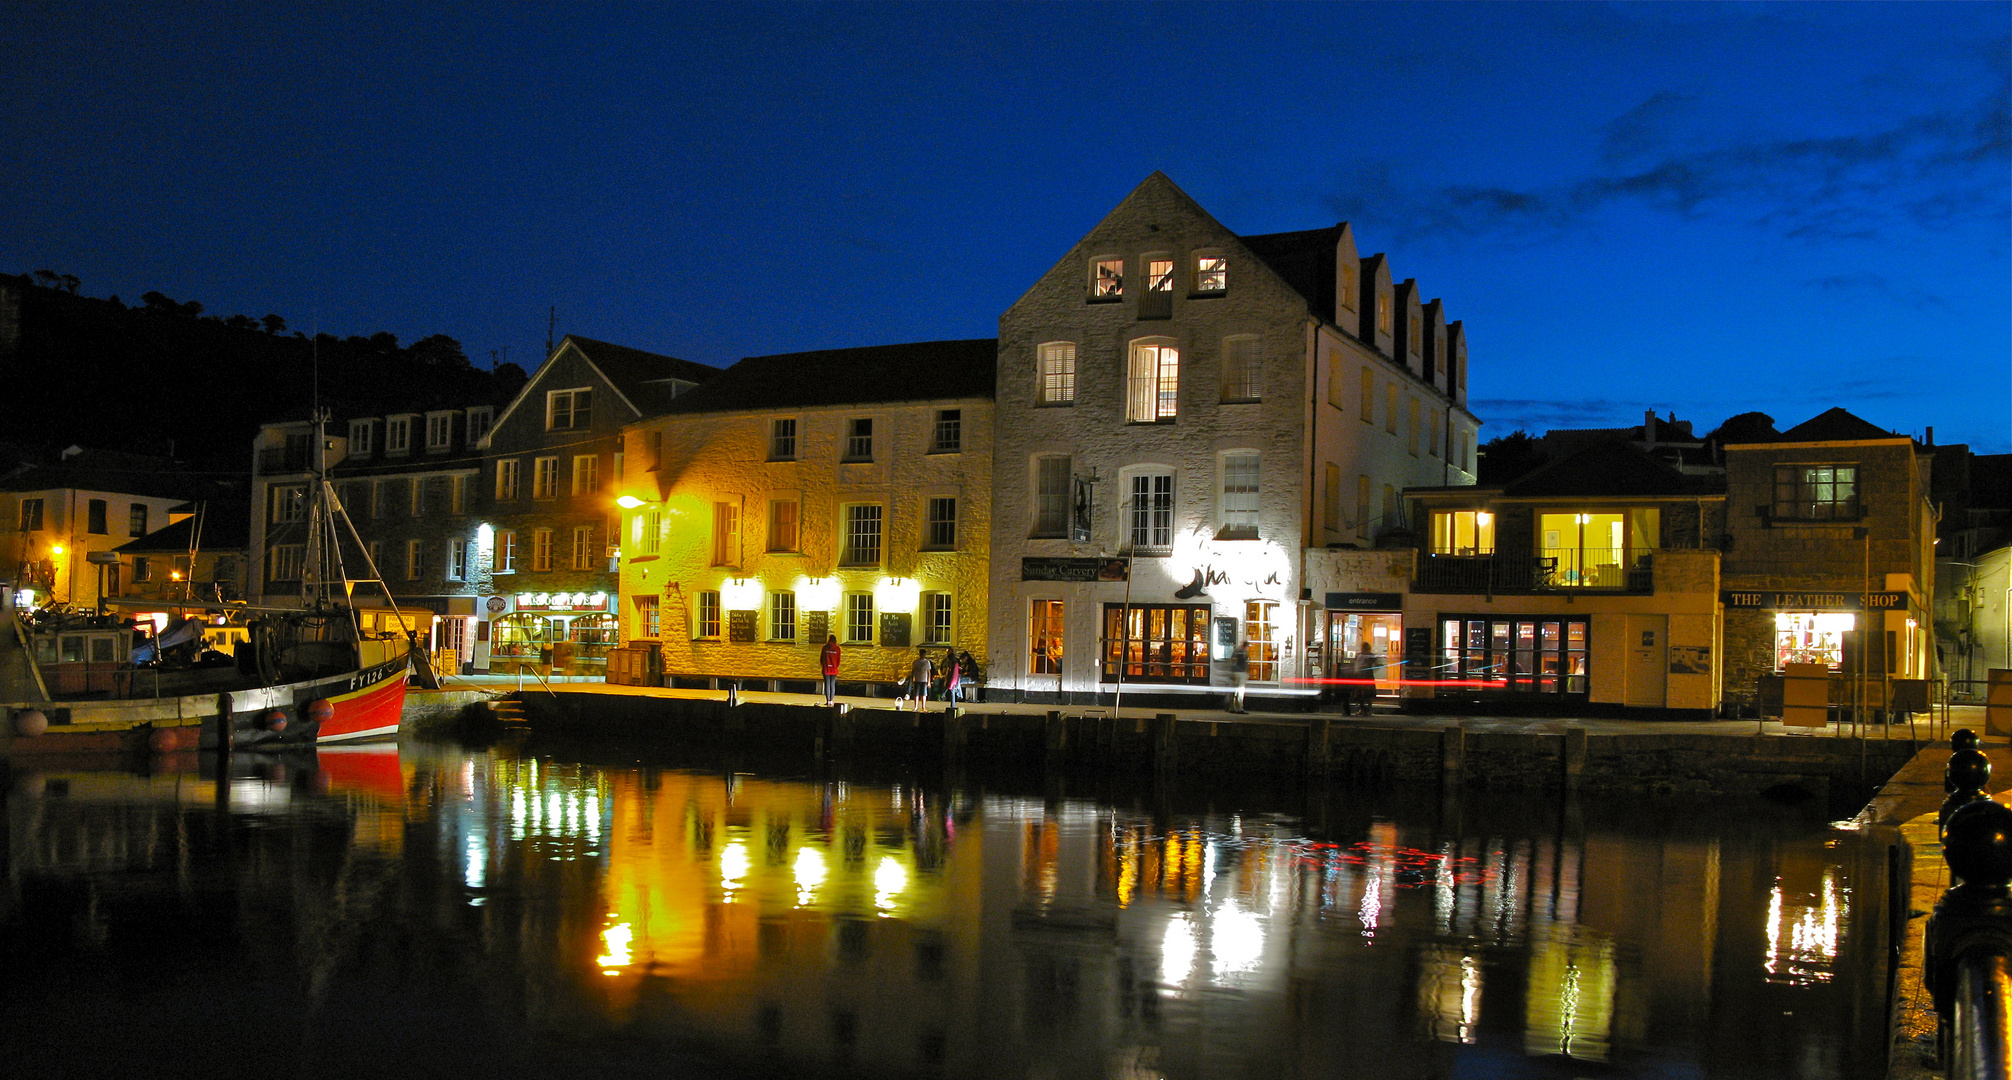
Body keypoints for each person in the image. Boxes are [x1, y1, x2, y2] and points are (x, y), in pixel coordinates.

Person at [820, 634, 842, 705]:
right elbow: (838, 660)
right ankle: (831, 700)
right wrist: (835, 666)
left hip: (826, 669)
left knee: (827, 685)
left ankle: (828, 700)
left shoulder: (825, 648)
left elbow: (821, 658)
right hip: (834, 669)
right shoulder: (837, 649)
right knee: (832, 685)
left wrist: (823, 665)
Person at [1230, 643, 1250, 714]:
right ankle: (1239, 708)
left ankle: (1232, 707)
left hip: (1236, 672)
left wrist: (1233, 671)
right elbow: (1244, 663)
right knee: (1241, 691)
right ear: (1245, 646)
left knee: (1234, 690)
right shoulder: (1242, 653)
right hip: (1240, 673)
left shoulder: (1236, 651)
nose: (1248, 648)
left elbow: (1232, 662)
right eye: (1248, 647)